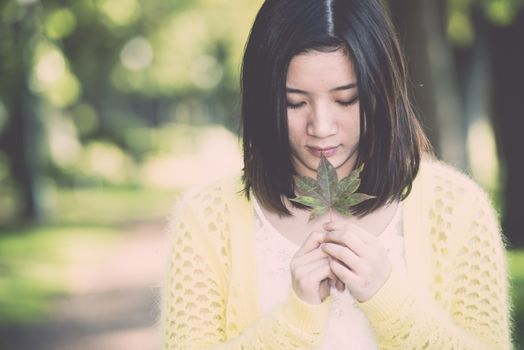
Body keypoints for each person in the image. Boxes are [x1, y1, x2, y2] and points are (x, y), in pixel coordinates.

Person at [162, 0, 512, 348]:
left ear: (381, 92)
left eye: (346, 99)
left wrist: (388, 299)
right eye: (294, 102)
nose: (322, 127)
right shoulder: (208, 218)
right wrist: (295, 320)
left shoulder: (456, 208)